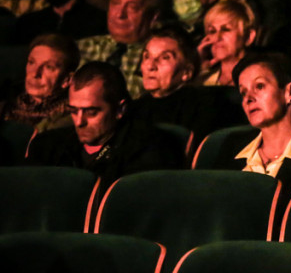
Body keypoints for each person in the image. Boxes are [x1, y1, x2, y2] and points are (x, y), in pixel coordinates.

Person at [26, 62, 184, 191]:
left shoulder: (149, 147)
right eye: (73, 111)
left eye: (91, 112)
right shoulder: (48, 146)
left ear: (120, 109)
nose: (79, 122)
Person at [211, 52, 291, 200]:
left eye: (259, 86)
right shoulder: (231, 146)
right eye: (243, 92)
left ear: (290, 92)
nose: (248, 99)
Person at [132, 25, 243, 143]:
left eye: (165, 58)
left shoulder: (204, 105)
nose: (150, 66)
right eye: (146, 57)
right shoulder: (135, 109)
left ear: (187, 72)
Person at [76, 0, 160, 99]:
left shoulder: (160, 59)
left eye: (132, 7)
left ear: (153, 17)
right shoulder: (80, 49)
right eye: (115, 3)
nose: (120, 14)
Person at [1, 34, 79, 132]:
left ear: (67, 79)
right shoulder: (6, 100)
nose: (35, 74)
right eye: (31, 62)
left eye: (48, 67)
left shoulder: (72, 116)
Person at [198, 0, 257, 87]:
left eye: (226, 29)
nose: (217, 38)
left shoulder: (259, 78)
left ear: (249, 36)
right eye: (212, 31)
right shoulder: (204, 80)